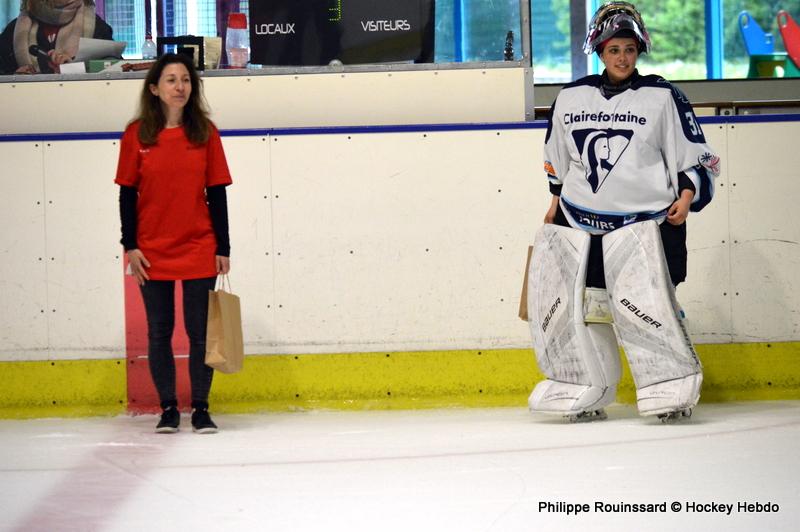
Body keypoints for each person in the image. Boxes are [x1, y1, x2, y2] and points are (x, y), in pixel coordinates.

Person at [528, 1, 721, 422]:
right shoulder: (570, 97)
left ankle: (671, 385)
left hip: (648, 225)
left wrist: (687, 195)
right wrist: (554, 202)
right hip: (582, 225)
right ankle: (589, 387)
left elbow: (695, 155)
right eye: (614, 50)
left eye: (629, 50)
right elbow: (557, 158)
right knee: (589, 311)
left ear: (639, 51)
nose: (622, 58)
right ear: (600, 51)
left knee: (650, 307)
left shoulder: (663, 97)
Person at [115, 53, 232, 434]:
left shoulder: (205, 133)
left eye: (185, 79)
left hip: (199, 245)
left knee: (200, 333)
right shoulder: (136, 134)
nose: (180, 86)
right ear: (154, 88)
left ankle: (200, 407)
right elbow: (127, 194)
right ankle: (167, 407)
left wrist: (223, 247)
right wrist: (130, 245)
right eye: (171, 80)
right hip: (150, 250)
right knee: (159, 331)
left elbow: (217, 192)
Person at [0, 0, 114, 74]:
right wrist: (15, 77)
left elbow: (114, 68)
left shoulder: (96, 26)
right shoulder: (14, 30)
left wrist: (72, 68)